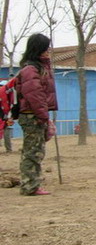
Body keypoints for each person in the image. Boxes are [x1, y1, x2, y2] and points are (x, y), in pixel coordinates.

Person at [16, 34, 58, 196]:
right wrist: (43, 116)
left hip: (36, 114)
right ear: (39, 49)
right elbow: (35, 96)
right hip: (32, 115)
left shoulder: (39, 68)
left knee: (36, 150)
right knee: (33, 151)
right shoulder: (30, 70)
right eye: (45, 48)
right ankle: (29, 185)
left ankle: (32, 182)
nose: (48, 51)